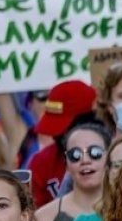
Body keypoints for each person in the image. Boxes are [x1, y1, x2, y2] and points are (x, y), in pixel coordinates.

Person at [34, 122, 110, 221]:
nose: (85, 160)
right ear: (66, 163)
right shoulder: (44, 218)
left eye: (95, 153)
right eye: (75, 155)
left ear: (109, 157)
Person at [24, 80, 99, 208]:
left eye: (62, 129)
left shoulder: (113, 155)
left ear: (87, 120)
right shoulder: (41, 163)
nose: (55, 135)